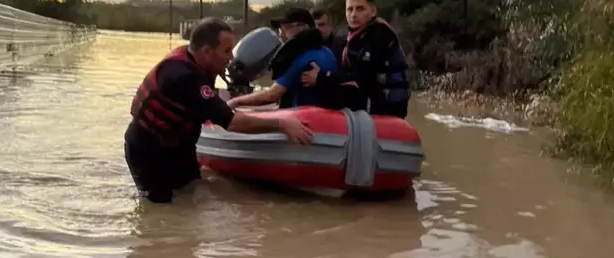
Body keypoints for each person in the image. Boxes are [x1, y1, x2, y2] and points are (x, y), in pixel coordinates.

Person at [124, 18, 313, 204]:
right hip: (149, 150)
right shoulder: (183, 76)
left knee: (191, 197)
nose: (231, 57)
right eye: (226, 51)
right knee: (161, 209)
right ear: (206, 51)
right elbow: (231, 122)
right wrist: (282, 124)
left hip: (180, 147)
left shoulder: (196, 62)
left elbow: (209, 99)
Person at [300, 0, 411, 119]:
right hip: (373, 96)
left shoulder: (380, 35)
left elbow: (360, 76)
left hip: (388, 106)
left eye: (360, 9)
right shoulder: (359, 35)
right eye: (350, 9)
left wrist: (321, 77)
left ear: (373, 11)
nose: (353, 14)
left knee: (332, 90)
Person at [225, 8, 339, 110]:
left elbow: (272, 95)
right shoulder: (323, 51)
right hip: (315, 118)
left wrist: (236, 101)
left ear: (302, 28)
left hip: (309, 124)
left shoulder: (303, 56)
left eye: (286, 28)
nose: (281, 34)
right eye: (281, 29)